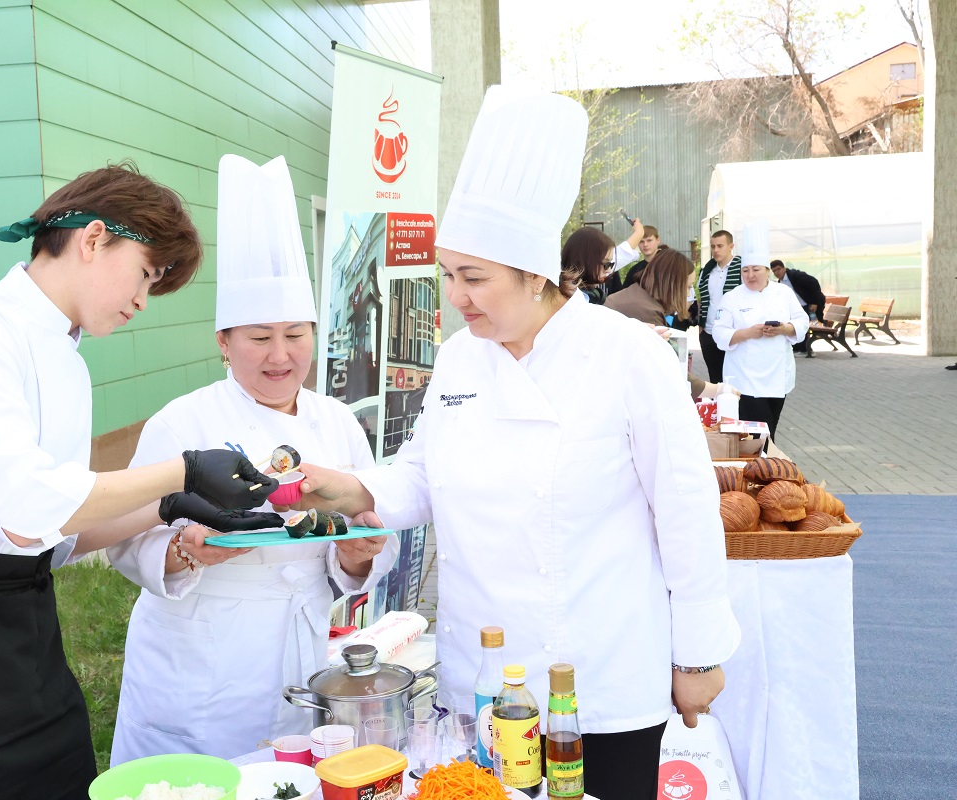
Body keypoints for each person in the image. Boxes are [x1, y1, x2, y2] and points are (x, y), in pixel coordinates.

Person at [293, 87, 740, 800]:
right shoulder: (463, 358)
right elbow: (422, 475)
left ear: (534, 274)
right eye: (449, 275)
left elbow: (685, 512)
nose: (456, 296)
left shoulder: (627, 355)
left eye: (475, 278)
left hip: (601, 677)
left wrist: (700, 654)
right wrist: (350, 490)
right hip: (483, 677)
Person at [0, 164, 278, 800]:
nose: (142, 301)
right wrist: (181, 468)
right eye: (146, 274)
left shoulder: (67, 361)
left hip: (23, 632)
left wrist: (174, 506)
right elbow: (24, 505)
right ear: (94, 239)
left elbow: (54, 535)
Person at [106, 155, 397, 764]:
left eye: (296, 335)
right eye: (259, 337)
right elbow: (120, 542)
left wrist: (353, 558)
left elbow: (365, 532)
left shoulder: (337, 423)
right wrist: (185, 551)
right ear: (223, 341)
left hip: (298, 655)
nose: (280, 356)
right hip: (199, 671)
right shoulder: (181, 423)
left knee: (289, 773)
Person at [711, 223, 809, 441]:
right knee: (760, 436)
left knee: (770, 428)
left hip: (778, 377)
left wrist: (784, 329)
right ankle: (766, 469)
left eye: (755, 270)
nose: (750, 275)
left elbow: (802, 321)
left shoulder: (783, 293)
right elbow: (719, 333)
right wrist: (748, 333)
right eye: (745, 271)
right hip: (745, 379)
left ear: (767, 270)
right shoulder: (732, 297)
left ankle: (767, 468)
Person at [606, 248, 719, 399]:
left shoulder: (639, 295)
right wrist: (718, 390)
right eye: (687, 287)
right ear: (672, 284)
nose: (687, 294)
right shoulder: (647, 310)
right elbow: (669, 371)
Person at [696, 230, 743, 383]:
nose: (715, 250)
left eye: (720, 246)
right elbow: (702, 299)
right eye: (713, 246)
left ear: (731, 246)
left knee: (733, 379)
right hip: (709, 332)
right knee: (715, 378)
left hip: (732, 333)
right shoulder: (707, 271)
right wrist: (701, 327)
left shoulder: (742, 269)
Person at [770, 259, 826, 354]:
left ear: (784, 268)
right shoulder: (780, 282)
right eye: (774, 271)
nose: (776, 272)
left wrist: (814, 302)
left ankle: (806, 349)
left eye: (778, 269)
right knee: (792, 325)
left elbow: (814, 283)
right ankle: (797, 349)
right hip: (796, 308)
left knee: (805, 325)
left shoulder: (796, 275)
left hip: (808, 306)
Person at [621, 225, 662, 289]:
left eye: (649, 240)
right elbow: (624, 294)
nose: (645, 245)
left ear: (658, 240)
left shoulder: (669, 263)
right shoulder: (635, 270)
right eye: (641, 241)